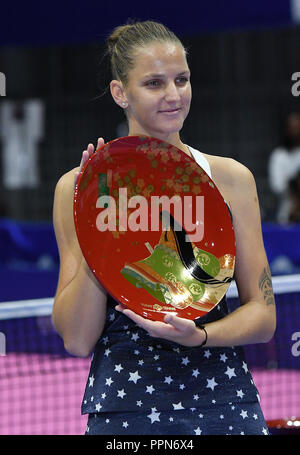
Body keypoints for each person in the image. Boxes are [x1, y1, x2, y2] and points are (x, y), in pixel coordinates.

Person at [52, 21, 276, 435]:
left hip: (223, 401)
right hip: (124, 408)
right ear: (121, 93)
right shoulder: (75, 188)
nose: (174, 95)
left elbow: (263, 316)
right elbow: (77, 340)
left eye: (182, 79)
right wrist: (97, 218)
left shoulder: (231, 179)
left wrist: (201, 337)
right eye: (155, 83)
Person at [268, 112, 300, 223]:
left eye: (297, 128)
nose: (295, 132)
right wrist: (293, 183)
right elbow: (277, 186)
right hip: (287, 214)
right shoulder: (279, 155)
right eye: (292, 128)